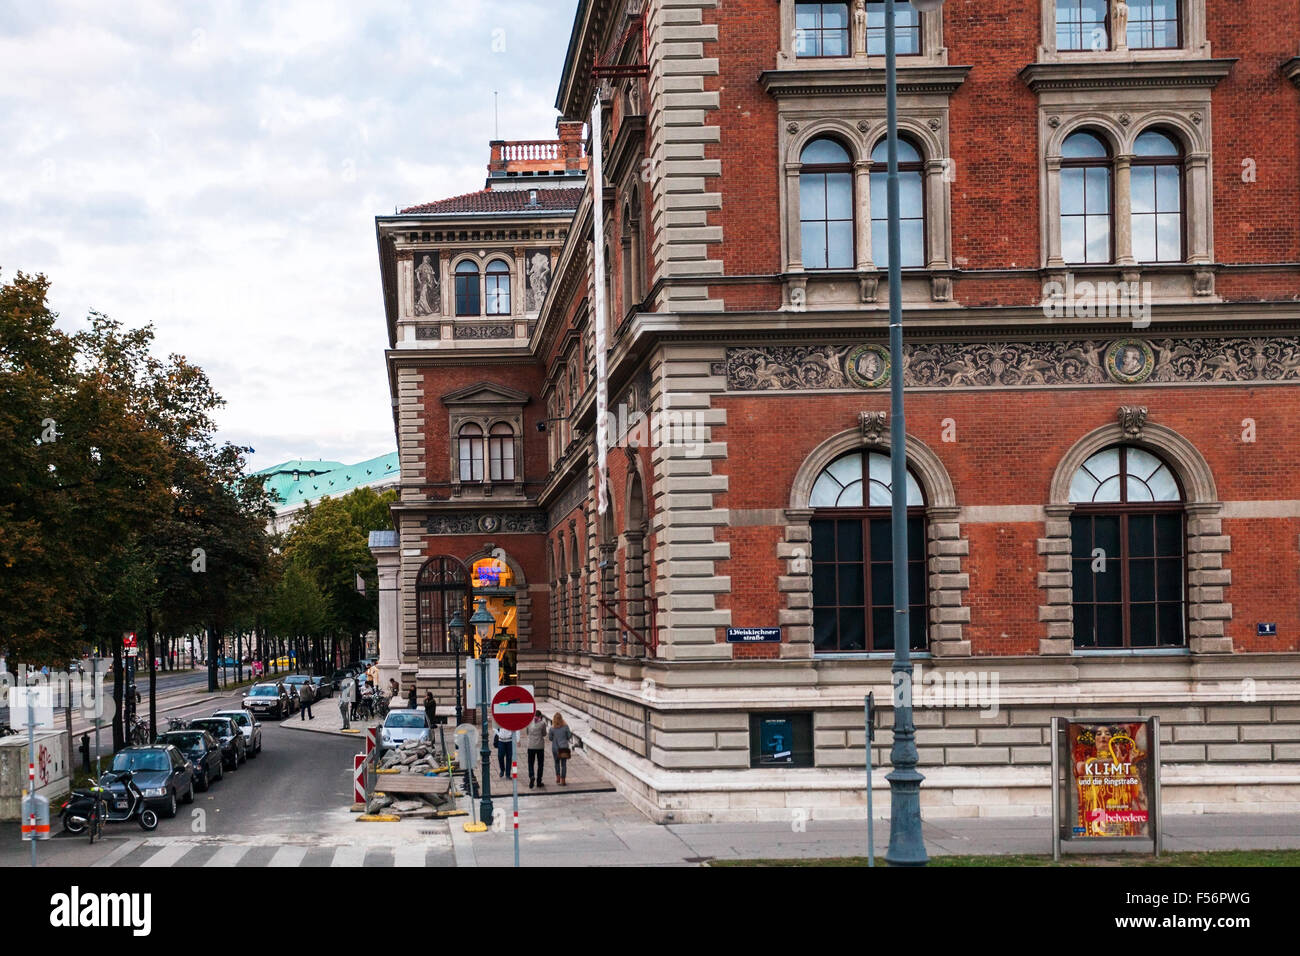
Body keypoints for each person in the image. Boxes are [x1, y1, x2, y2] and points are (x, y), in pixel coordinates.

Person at [523, 712, 547, 789]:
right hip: (540, 746)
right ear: (540, 716)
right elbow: (544, 734)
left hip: (530, 746)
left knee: (530, 763)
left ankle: (532, 776)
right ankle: (539, 781)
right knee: (540, 764)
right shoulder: (542, 723)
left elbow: (527, 732)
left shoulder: (529, 722)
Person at [549, 713, 573, 786]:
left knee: (556, 763)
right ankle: (563, 780)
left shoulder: (552, 728)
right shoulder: (565, 727)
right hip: (564, 748)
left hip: (555, 748)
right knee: (564, 764)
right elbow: (569, 736)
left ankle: (558, 777)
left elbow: (550, 738)